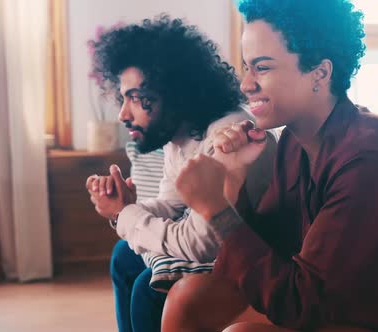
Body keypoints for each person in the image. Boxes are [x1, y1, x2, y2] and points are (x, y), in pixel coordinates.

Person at [165, 0, 378, 331]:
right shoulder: (294, 142)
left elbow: (301, 301)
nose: (245, 84)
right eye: (247, 67)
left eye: (263, 67)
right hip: (343, 302)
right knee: (187, 298)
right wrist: (233, 176)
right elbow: (263, 256)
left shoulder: (370, 157)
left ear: (320, 73)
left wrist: (215, 209)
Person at [85, 15, 276, 332]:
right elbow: (173, 204)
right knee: (123, 255)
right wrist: (125, 207)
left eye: (137, 98)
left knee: (150, 285)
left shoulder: (229, 136)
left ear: (177, 94)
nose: (123, 114)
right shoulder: (180, 135)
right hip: (218, 248)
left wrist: (125, 214)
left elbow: (199, 243)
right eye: (123, 98)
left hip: (253, 255)